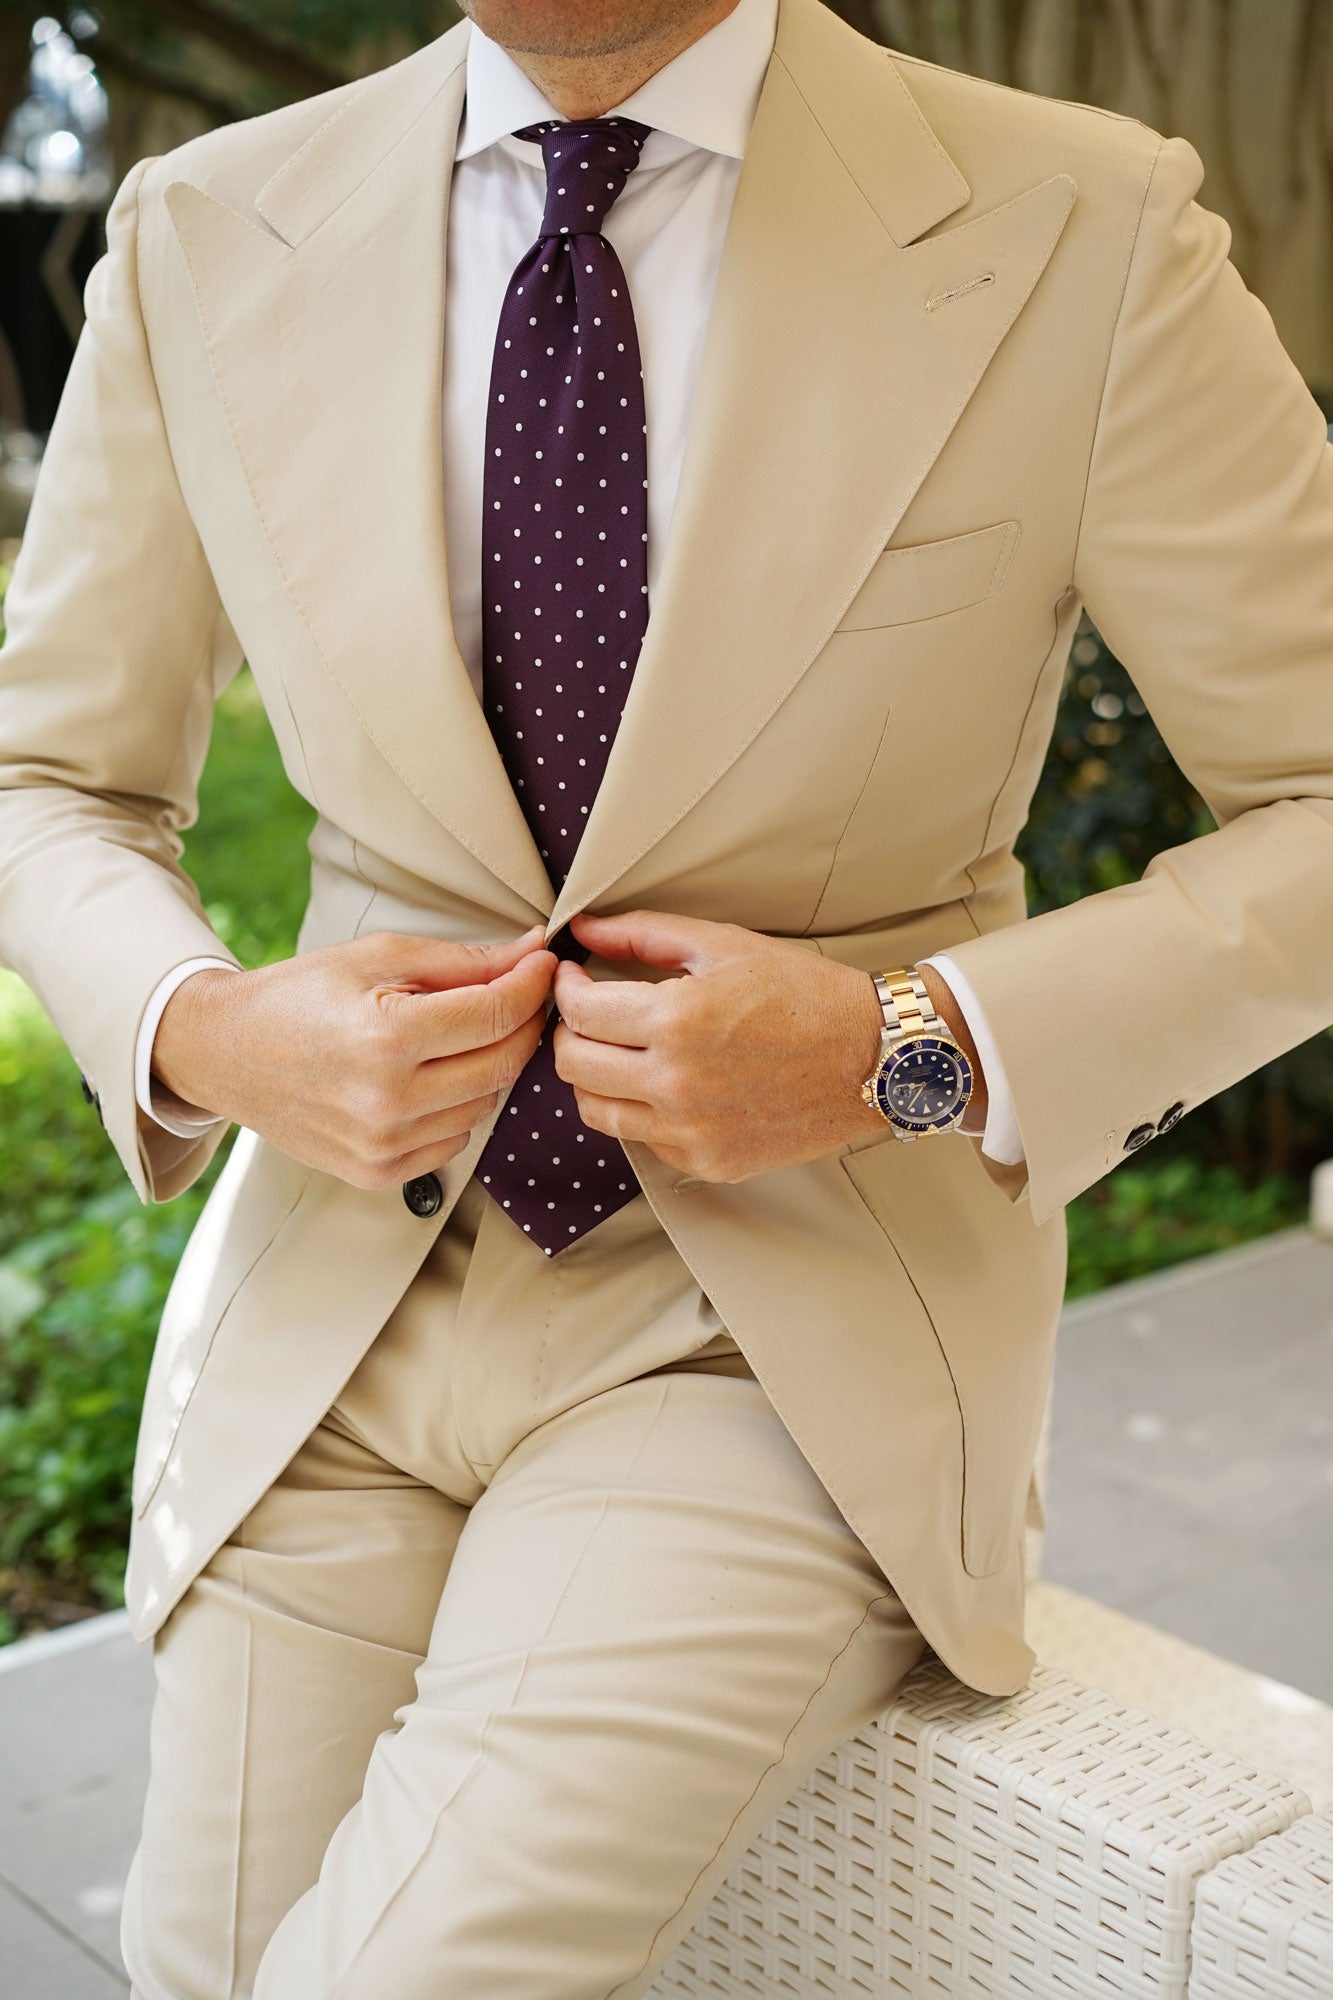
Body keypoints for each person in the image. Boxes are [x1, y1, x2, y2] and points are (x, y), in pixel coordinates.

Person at [1, 0, 1330, 1990]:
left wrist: (911, 1046)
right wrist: (216, 1026)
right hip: (329, 1306)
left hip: (777, 1323)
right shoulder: (206, 223)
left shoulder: (1085, 226)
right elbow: (50, 775)